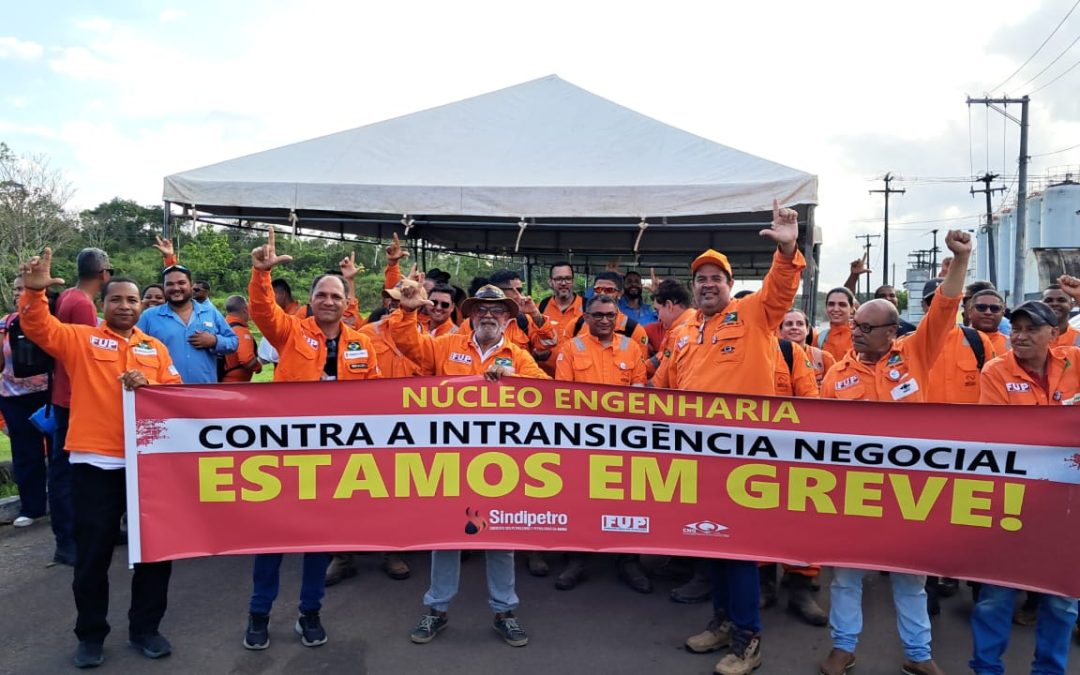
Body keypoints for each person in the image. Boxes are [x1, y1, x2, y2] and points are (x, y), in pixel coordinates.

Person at [658, 199, 803, 675]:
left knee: (738, 550)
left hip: (746, 459)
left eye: (715, 277)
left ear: (729, 283)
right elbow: (660, 391)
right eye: (700, 278)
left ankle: (748, 641)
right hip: (696, 458)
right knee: (708, 543)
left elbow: (781, 290)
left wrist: (786, 251)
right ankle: (721, 623)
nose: (707, 284)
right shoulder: (682, 332)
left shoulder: (755, 313)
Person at [817, 230, 972, 675]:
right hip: (851, 492)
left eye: (867, 328)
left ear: (892, 331)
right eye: (855, 327)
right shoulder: (835, 376)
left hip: (910, 492)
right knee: (846, 577)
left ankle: (918, 654)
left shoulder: (915, 355)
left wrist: (960, 259)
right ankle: (843, 648)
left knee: (910, 578)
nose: (857, 334)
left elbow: (944, 308)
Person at [18, 249, 181, 669]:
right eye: (117, 300)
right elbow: (38, 327)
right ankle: (90, 635)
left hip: (148, 466)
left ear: (142, 306)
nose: (125, 306)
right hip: (96, 464)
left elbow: (177, 395)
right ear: (102, 305)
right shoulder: (82, 340)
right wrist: (34, 294)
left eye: (132, 300)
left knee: (154, 553)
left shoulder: (156, 349)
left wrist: (151, 386)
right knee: (93, 555)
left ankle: (146, 629)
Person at [242, 229, 382, 651]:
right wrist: (261, 275)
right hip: (286, 456)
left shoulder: (362, 343)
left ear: (345, 303)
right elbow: (262, 311)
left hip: (337, 460)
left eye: (336, 296)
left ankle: (310, 612)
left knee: (320, 540)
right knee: (273, 537)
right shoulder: (290, 332)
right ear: (311, 299)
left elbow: (378, 398)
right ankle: (259, 613)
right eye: (321, 295)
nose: (328, 301)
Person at [389, 280, 548, 648]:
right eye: (481, 310)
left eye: (496, 310)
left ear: (509, 318)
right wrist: (409, 311)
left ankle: (505, 611)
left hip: (501, 463)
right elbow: (408, 344)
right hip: (449, 460)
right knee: (445, 535)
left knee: (501, 538)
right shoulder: (445, 346)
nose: (488, 315)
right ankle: (437, 609)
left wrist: (514, 379)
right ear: (471, 315)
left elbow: (546, 393)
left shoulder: (519, 357)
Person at [971, 299, 1079, 674]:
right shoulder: (996, 370)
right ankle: (986, 669)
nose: (1020, 335)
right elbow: (999, 433)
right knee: (996, 595)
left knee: (1063, 600)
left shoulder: (1075, 362)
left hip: (1068, 505)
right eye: (1016, 328)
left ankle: (1049, 670)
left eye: (1032, 329)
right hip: (1011, 501)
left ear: (1054, 333)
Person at [551, 294, 648, 593]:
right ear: (587, 317)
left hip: (623, 440)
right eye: (597, 315)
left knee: (627, 502)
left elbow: (640, 393)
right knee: (580, 500)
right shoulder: (570, 349)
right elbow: (563, 397)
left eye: (609, 315)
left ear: (617, 316)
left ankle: (628, 560)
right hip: (582, 441)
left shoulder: (632, 348)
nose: (604, 320)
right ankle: (577, 559)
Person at [50, 247, 113, 567]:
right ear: (104, 274)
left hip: (65, 393)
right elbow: (92, 357)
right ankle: (67, 539)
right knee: (68, 470)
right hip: (74, 398)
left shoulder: (69, 297)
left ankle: (83, 532)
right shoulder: (82, 305)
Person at [0, 274, 51, 527]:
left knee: (58, 450)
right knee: (25, 453)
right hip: (13, 396)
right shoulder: (3, 324)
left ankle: (63, 503)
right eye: (17, 288)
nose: (21, 292)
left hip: (49, 395)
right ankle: (32, 508)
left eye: (25, 288)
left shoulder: (51, 322)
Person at [136, 264, 238, 384]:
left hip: (205, 391)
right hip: (164, 393)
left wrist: (215, 341)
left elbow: (233, 341)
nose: (176, 288)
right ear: (163, 287)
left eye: (181, 283)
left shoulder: (210, 312)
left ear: (191, 284)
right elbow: (134, 347)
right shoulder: (149, 316)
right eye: (170, 284)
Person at [920, 277, 997, 405]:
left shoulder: (979, 341)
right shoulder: (907, 345)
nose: (942, 307)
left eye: (949, 302)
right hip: (925, 422)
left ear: (958, 304)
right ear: (923, 306)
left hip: (971, 422)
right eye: (933, 302)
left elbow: (994, 388)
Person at [779, 309, 835, 387]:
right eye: (789, 324)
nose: (794, 327)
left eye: (800, 324)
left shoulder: (824, 358)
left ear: (808, 329)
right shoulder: (772, 357)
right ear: (780, 330)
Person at [220, 295, 261, 383]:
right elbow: (247, 360)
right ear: (245, 309)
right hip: (236, 384)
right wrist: (258, 367)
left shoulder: (221, 327)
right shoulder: (241, 331)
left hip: (220, 380)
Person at [966, 286, 1009, 355]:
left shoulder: (1012, 345)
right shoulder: (955, 340)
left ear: (1002, 314)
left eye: (994, 308)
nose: (988, 312)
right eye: (981, 307)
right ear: (970, 312)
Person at [816, 287, 855, 361]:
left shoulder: (861, 337)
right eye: (831, 304)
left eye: (842, 305)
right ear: (826, 308)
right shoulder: (819, 338)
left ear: (852, 308)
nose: (836, 309)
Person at [1042, 282, 1080, 348]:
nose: (1054, 304)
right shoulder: (1032, 337)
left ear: (1072, 305)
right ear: (1041, 305)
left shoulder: (1078, 337)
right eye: (1048, 300)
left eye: (1061, 300)